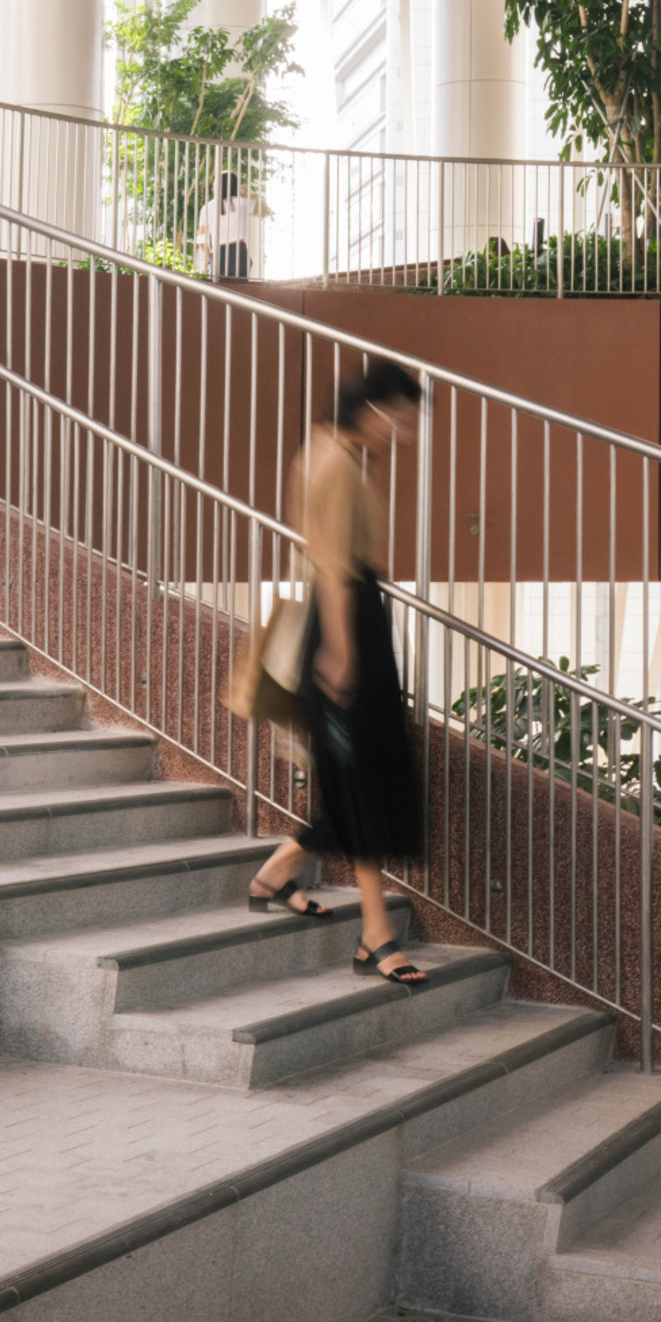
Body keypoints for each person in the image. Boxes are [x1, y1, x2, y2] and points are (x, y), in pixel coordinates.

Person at [247, 356, 429, 985]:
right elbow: (331, 566)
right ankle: (375, 935)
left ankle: (276, 872)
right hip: (344, 630)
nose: (404, 436)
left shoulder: (347, 454)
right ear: (374, 409)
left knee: (365, 775)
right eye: (401, 422)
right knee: (361, 781)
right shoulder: (332, 462)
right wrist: (343, 652)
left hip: (358, 625)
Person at [193, 168, 260, 283]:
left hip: (219, 253)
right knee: (240, 293)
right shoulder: (243, 202)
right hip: (239, 251)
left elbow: (201, 239)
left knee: (218, 294)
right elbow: (262, 207)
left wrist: (210, 259)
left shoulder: (207, 207)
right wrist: (244, 193)